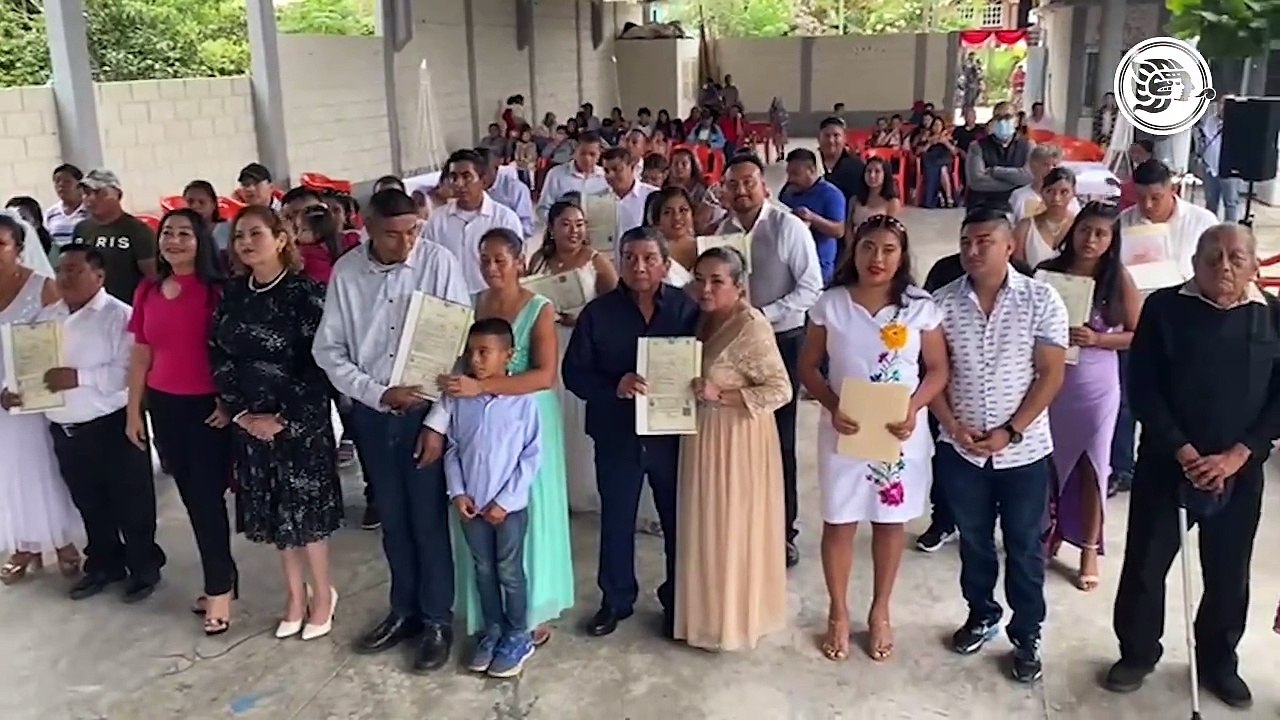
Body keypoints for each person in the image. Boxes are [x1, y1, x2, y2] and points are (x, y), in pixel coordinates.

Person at [1105, 224, 1280, 710]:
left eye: (1236, 257)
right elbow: (1143, 388)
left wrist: (1238, 454)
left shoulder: (1273, 317)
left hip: (1239, 470)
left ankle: (1219, 663)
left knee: (1229, 573)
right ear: (1195, 262)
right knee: (1146, 565)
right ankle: (1138, 654)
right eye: (1214, 256)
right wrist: (1183, 451)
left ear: (1254, 264)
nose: (1225, 266)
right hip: (1167, 463)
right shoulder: (1164, 308)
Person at [313, 189, 470, 673]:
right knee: (394, 521)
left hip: (426, 415)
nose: (405, 245)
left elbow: (458, 347)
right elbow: (329, 350)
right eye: (392, 235)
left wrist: (438, 424)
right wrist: (376, 393)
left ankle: (437, 619)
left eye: (412, 233)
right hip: (373, 413)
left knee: (427, 521)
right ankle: (404, 610)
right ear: (366, 227)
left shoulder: (439, 264)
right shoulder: (347, 272)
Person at [930, 207, 1069, 684]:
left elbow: (1051, 374)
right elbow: (934, 373)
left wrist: (1011, 431)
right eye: (966, 241)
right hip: (961, 449)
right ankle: (981, 612)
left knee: (1025, 545)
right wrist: (952, 425)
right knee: (973, 540)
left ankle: (1026, 632)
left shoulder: (1041, 299)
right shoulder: (941, 304)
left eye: (984, 241)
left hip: (1024, 453)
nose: (972, 250)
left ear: (1010, 246)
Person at [800, 215, 948, 661]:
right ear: (853, 251)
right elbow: (808, 367)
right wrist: (831, 404)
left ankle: (880, 609)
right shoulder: (831, 304)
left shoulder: (918, 307)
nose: (876, 258)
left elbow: (938, 369)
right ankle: (838, 612)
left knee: (889, 521)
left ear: (902, 257)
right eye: (867, 247)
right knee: (839, 521)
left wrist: (914, 405)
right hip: (845, 429)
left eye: (887, 249)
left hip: (898, 433)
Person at [421, 228, 575, 647]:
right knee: (479, 512)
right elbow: (460, 363)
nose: (491, 268)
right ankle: (492, 619)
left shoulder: (539, 308)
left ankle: (531, 613)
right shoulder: (473, 304)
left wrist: (482, 388)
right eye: (484, 259)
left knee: (524, 509)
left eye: (500, 260)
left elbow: (545, 376)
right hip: (476, 418)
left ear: (519, 260)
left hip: (526, 414)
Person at [211, 207, 341, 641]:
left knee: (305, 517)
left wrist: (282, 418)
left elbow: (320, 363)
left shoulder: (306, 294)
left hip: (299, 423)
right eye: (239, 236)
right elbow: (220, 354)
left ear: (282, 239)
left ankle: (323, 595)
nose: (246, 242)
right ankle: (294, 596)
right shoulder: (233, 294)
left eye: (256, 233)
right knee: (275, 515)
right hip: (250, 422)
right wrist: (245, 414)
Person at [563, 226, 699, 638]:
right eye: (630, 258)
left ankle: (678, 600)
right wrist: (613, 387)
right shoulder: (597, 313)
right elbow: (574, 374)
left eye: (649, 258)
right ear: (620, 261)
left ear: (665, 264)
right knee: (617, 520)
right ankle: (615, 600)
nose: (639, 266)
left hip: (670, 436)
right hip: (616, 433)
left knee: (677, 520)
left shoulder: (687, 309)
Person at [125, 209, 236, 634]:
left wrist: (229, 404)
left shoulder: (218, 291)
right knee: (192, 500)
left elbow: (233, 354)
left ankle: (220, 590)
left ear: (201, 241)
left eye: (184, 234)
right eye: (167, 233)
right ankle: (223, 577)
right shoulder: (148, 289)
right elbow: (141, 354)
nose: (173, 241)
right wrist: (134, 410)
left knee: (207, 501)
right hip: (164, 406)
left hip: (208, 409)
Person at [675, 247, 791, 651]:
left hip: (736, 438)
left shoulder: (751, 326)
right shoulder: (704, 318)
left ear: (739, 286)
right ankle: (703, 617)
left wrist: (721, 394)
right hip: (702, 434)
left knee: (731, 526)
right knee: (704, 523)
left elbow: (781, 390)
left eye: (717, 281)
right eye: (700, 279)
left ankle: (732, 621)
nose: (705, 289)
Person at [38, 245, 166, 601]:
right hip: (66, 429)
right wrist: (17, 391)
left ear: (99, 275)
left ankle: (143, 567)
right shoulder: (48, 316)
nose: (65, 277)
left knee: (132, 502)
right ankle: (104, 564)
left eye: (75, 270)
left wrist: (78, 378)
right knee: (89, 503)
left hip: (111, 425)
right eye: (61, 270)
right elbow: (33, 369)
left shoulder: (120, 316)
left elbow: (129, 372)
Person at [717, 154, 822, 568]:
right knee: (741, 433)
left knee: (780, 438)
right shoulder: (721, 233)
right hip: (735, 344)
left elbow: (811, 286)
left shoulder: (787, 227)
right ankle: (746, 522)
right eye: (733, 185)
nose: (741, 191)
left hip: (782, 340)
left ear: (765, 186)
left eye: (748, 183)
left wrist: (764, 316)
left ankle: (784, 531)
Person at [430, 317, 542, 678]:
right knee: (483, 569)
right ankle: (493, 629)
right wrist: (458, 492)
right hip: (472, 507)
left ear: (508, 356)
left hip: (507, 510)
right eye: (471, 352)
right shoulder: (462, 400)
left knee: (510, 571)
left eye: (485, 352)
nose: (475, 360)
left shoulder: (523, 402)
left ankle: (518, 634)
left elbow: (531, 455)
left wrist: (506, 501)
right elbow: (453, 449)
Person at [1037, 201, 1139, 592]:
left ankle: (1089, 549)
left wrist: (1100, 338)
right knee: (1048, 462)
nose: (1090, 240)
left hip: (1095, 385)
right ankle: (1052, 532)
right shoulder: (1049, 273)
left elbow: (1138, 333)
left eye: (1100, 234)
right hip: (1052, 381)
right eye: (1085, 231)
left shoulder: (1119, 279)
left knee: (1092, 467)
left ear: (1112, 240)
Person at [1110, 160, 1219, 497]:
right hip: (1138, 322)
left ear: (1172, 189)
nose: (1147, 206)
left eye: (1155, 197)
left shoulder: (1203, 223)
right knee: (1128, 397)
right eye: (1140, 197)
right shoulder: (1123, 223)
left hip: (1188, 324)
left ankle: (1187, 460)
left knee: (1178, 397)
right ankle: (1123, 467)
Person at [0, 216, 82, 585]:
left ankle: (63, 541)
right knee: (8, 475)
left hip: (33, 399)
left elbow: (58, 343)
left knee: (44, 468)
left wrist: (25, 386)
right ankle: (23, 544)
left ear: (18, 247)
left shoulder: (43, 287)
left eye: (0, 245)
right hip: (0, 402)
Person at [527, 201, 619, 518]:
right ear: (552, 228)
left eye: (579, 224)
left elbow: (614, 308)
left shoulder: (597, 262)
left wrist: (580, 319)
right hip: (546, 342)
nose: (574, 230)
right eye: (566, 224)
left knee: (576, 415)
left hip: (581, 344)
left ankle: (581, 487)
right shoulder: (539, 260)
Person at [421, 149, 523, 294]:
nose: (459, 183)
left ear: (483, 180)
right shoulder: (437, 221)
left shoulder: (505, 219)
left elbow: (515, 267)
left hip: (493, 300)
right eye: (453, 177)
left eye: (466, 176)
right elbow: (429, 265)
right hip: (450, 302)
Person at [70, 169, 157, 303]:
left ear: (118, 195)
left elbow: (153, 277)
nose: (91, 198)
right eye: (86, 193)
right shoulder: (81, 229)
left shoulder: (138, 231)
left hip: (128, 309)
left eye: (99, 192)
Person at [780, 149, 847, 286]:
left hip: (818, 268)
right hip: (790, 265)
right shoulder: (788, 191)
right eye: (788, 174)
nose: (790, 179)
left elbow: (839, 231)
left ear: (811, 170)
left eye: (795, 174)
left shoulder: (831, 194)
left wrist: (812, 218)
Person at [965, 102, 1032, 210]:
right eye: (998, 117)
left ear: (1016, 120)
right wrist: (1016, 184)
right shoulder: (976, 146)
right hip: (984, 205)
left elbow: (1028, 176)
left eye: (1007, 116)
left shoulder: (1028, 145)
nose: (1002, 121)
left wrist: (994, 171)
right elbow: (976, 181)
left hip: (1017, 205)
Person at [598, 147, 659, 266]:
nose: (610, 175)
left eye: (616, 169)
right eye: (606, 170)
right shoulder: (597, 199)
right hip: (607, 270)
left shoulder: (652, 196)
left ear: (631, 167)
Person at [1013, 166, 1077, 267]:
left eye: (1064, 192)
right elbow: (1017, 267)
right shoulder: (1024, 228)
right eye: (1050, 191)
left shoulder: (1079, 226)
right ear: (1042, 192)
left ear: (1074, 193)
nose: (1056, 198)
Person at [537, 132, 608, 222]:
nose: (587, 159)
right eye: (583, 153)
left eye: (592, 154)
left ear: (599, 155)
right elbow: (543, 209)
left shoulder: (606, 177)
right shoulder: (556, 174)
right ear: (575, 152)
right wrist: (560, 224)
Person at [1194, 99, 1243, 222]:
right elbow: (1204, 141)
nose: (1224, 107)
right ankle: (1210, 228)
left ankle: (1230, 230)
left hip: (1229, 169)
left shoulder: (1238, 123)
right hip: (1210, 167)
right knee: (1211, 202)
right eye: (1222, 104)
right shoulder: (1210, 121)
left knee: (1231, 202)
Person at [1009, 144, 1081, 225]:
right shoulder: (1019, 196)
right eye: (1045, 164)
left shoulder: (1068, 198)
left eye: (1054, 165)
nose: (1050, 169)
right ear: (1032, 166)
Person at [647, 186, 699, 287]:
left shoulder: (707, 246)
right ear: (657, 221)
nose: (677, 217)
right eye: (668, 212)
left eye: (683, 210)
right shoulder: (652, 256)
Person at [476, 146, 535, 236]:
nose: (478, 178)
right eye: (473, 174)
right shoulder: (469, 190)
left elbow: (527, 227)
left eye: (483, 173)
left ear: (496, 168)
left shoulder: (516, 189)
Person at [816, 117, 867, 203]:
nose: (831, 141)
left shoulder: (857, 167)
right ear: (818, 138)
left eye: (836, 135)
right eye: (827, 136)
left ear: (845, 138)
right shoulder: (810, 163)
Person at [847, 158, 903, 230]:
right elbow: (848, 227)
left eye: (877, 171)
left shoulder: (892, 203)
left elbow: (890, 232)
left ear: (885, 175)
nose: (872, 175)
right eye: (869, 171)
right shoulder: (855, 200)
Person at [46, 164, 88, 254]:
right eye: (57, 181)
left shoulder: (91, 211)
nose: (61, 185)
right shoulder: (51, 213)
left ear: (80, 185)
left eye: (67, 182)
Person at [181, 180, 232, 253]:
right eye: (190, 201)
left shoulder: (230, 230)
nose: (195, 206)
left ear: (213, 205)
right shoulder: (177, 232)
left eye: (202, 202)